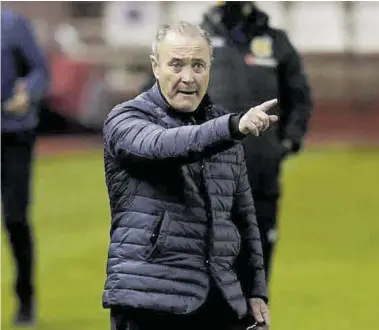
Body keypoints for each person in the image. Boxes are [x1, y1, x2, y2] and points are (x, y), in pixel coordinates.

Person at [103, 21, 279, 330]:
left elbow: (242, 217)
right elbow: (164, 146)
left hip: (219, 299)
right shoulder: (126, 119)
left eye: (198, 65)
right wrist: (232, 128)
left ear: (210, 67)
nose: (188, 77)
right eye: (176, 64)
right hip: (151, 302)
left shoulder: (224, 127)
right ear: (156, 67)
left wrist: (254, 291)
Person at [200, 1, 313, 283]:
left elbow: (299, 99)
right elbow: (164, 94)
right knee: (208, 270)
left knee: (256, 270)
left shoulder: (276, 42)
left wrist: (287, 143)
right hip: (207, 178)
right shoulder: (195, 42)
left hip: (261, 177)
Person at [1, 8, 50, 327]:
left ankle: (26, 300)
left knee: (16, 219)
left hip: (13, 134)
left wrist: (27, 93)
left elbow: (41, 72)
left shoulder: (13, 25)